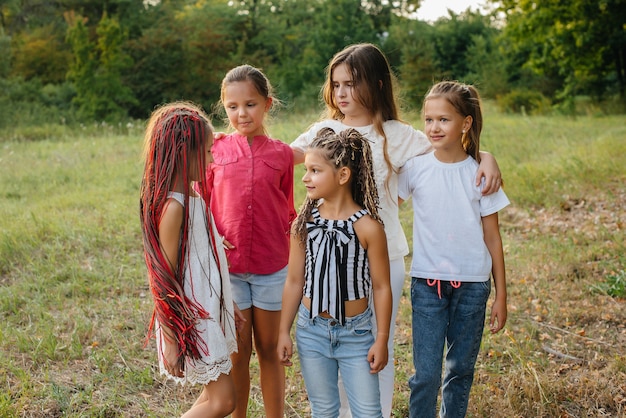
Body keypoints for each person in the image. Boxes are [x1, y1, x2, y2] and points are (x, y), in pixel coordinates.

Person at [289, 43, 503, 418]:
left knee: (373, 350)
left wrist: (486, 156)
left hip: (382, 258)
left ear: (376, 84)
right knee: (332, 344)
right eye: (335, 84)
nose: (341, 93)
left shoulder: (400, 135)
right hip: (331, 257)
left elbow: (450, 147)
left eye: (350, 84)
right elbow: (279, 156)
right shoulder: (324, 130)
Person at [398, 81, 509, 418]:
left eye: (444, 119)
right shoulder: (415, 168)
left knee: (459, 371)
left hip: (473, 286)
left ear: (466, 123)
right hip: (427, 285)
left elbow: (493, 237)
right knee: (426, 375)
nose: (434, 127)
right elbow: (386, 207)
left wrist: (501, 294)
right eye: (428, 119)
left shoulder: (480, 174)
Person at [278, 127, 393, 418]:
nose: (305, 178)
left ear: (342, 176)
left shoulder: (368, 228)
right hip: (311, 331)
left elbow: (381, 287)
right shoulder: (303, 224)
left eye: (315, 170)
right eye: (306, 169)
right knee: (323, 410)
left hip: (357, 334)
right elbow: (294, 282)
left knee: (368, 412)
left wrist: (381, 338)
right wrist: (284, 331)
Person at [202, 64, 296, 418]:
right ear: (224, 107)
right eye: (232, 106)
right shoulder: (215, 151)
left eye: (251, 104)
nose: (242, 113)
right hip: (231, 271)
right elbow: (203, 203)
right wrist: (213, 236)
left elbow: (287, 207)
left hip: (273, 267)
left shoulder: (282, 154)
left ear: (267, 104)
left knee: (270, 351)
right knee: (238, 354)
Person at [139, 101, 241, 418]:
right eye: (208, 151)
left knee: (215, 396)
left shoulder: (193, 193)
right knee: (223, 402)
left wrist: (228, 303)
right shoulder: (173, 206)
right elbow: (162, 277)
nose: (212, 158)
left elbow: (206, 255)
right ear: (185, 152)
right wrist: (170, 337)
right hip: (191, 320)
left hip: (210, 308)